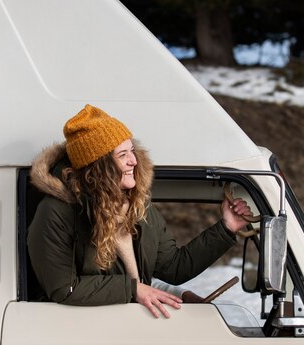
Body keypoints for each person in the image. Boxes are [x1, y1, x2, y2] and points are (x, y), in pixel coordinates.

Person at [27, 104, 252, 318]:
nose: (133, 161)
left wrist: (226, 228)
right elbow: (64, 288)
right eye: (122, 155)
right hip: (84, 335)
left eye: (132, 151)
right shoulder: (57, 212)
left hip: (133, 328)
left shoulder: (137, 206)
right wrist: (133, 289)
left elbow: (174, 267)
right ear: (98, 167)